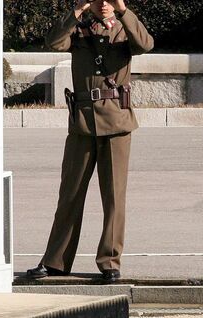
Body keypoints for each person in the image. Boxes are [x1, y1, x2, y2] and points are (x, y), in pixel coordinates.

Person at [26, 0, 153, 283]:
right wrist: (77, 9)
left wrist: (123, 10)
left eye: (110, 0)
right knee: (70, 194)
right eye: (98, 0)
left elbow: (145, 44)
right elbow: (54, 42)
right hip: (82, 124)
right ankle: (56, 261)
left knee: (113, 197)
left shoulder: (124, 28)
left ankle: (110, 262)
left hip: (116, 123)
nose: (104, 4)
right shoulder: (79, 29)